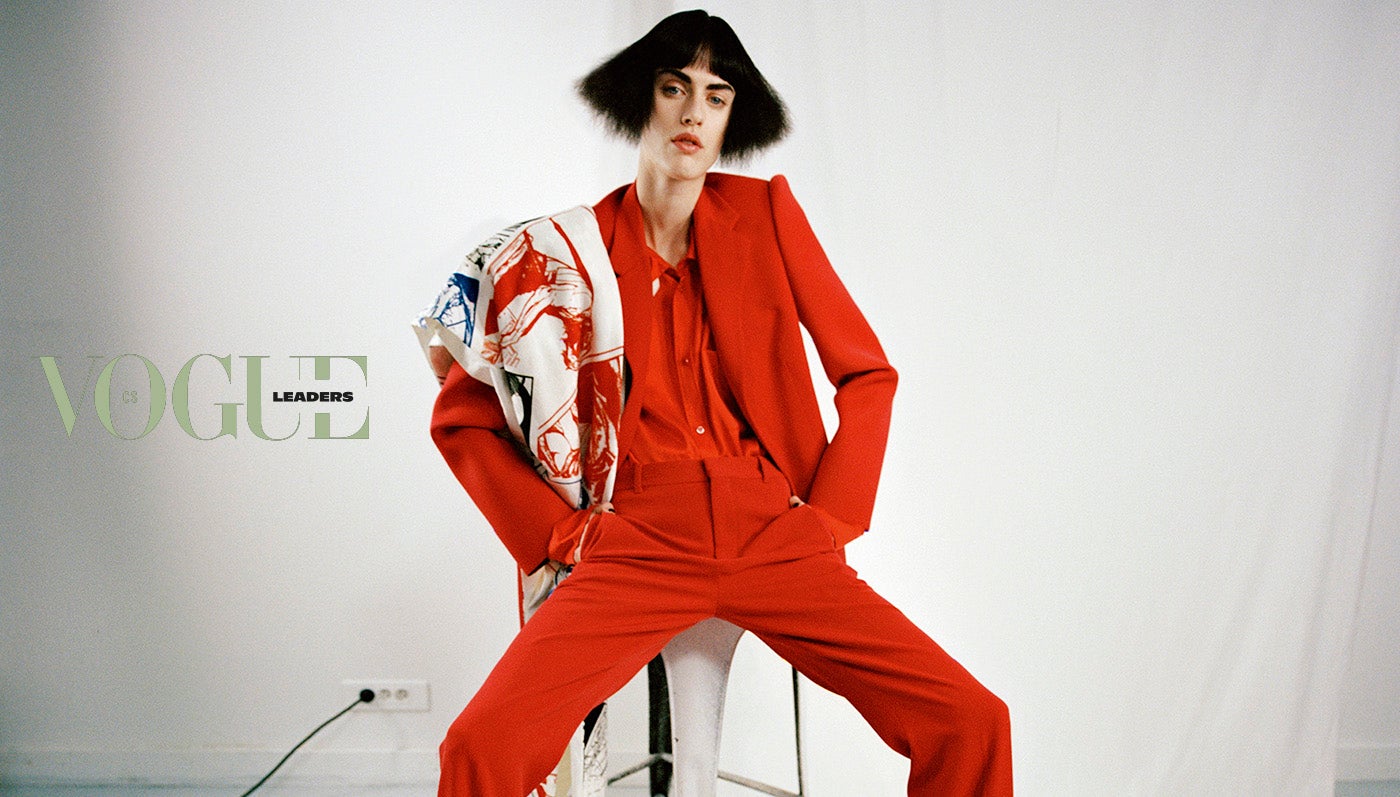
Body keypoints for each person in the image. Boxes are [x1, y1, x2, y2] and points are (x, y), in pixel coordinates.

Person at [428, 10, 1012, 795]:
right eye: (675, 88)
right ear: (642, 98)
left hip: (773, 530)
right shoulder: (562, 252)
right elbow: (460, 417)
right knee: (481, 744)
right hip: (635, 537)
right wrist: (560, 532)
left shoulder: (766, 216)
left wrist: (830, 519)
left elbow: (868, 374)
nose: (694, 113)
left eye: (716, 95)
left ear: (734, 115)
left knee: (972, 719)